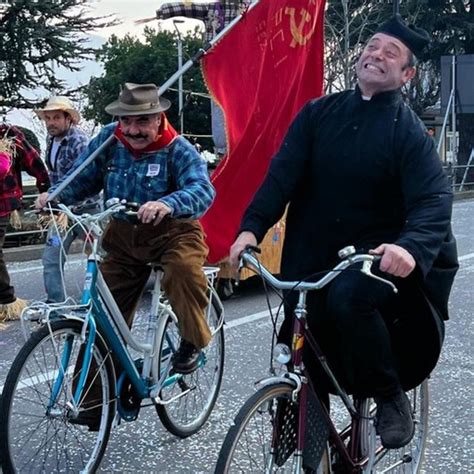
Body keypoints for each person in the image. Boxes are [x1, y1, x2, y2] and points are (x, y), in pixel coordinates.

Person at [229, 14, 459, 450]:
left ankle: (390, 397)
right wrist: (249, 229)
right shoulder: (318, 114)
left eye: (391, 53)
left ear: (406, 74)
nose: (377, 55)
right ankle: (299, 423)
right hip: (313, 252)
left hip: (375, 261)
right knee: (297, 335)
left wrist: (409, 248)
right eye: (373, 46)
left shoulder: (407, 131)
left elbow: (433, 200)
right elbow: (281, 177)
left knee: (347, 297)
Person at [36, 83, 216, 377]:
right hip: (122, 237)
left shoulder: (176, 148)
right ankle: (94, 406)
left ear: (158, 118)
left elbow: (202, 189)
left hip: (173, 233)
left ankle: (192, 340)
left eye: (142, 121)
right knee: (103, 318)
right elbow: (83, 176)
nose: (132, 130)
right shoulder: (109, 139)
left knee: (183, 270)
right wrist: (54, 196)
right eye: (126, 120)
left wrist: (167, 203)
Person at [35, 96, 100, 303]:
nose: (51, 123)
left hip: (86, 210)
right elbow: (53, 173)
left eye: (56, 118)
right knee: (51, 257)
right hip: (61, 211)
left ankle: (108, 301)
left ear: (68, 119)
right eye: (48, 118)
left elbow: (81, 176)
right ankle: (56, 304)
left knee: (100, 256)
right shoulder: (50, 140)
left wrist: (51, 194)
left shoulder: (78, 141)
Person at [0, 125, 50, 322]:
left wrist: (47, 190)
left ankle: (7, 300)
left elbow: (34, 162)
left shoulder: (7, 135)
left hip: (2, 205)